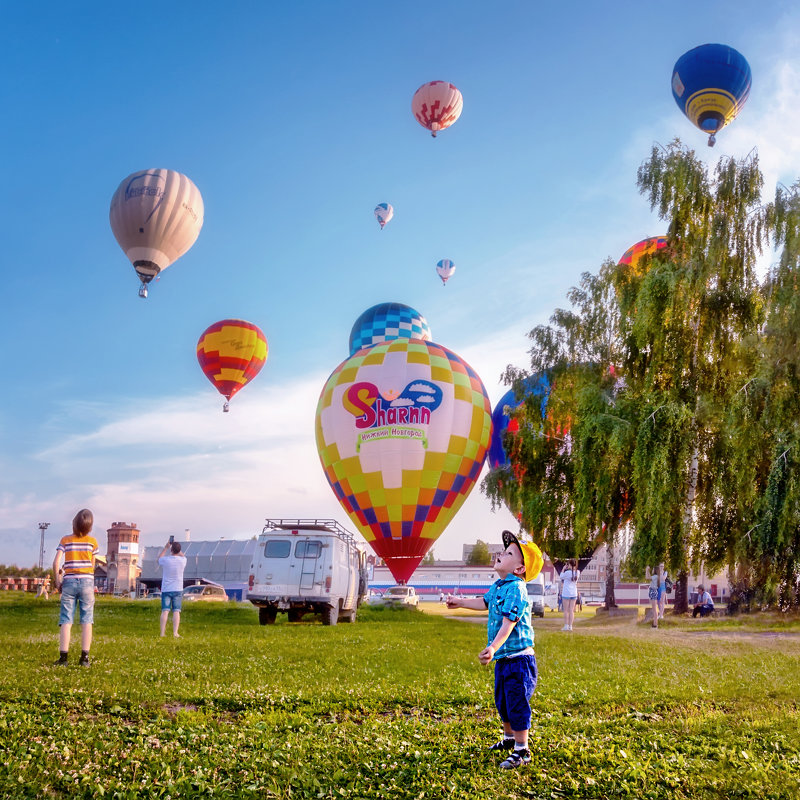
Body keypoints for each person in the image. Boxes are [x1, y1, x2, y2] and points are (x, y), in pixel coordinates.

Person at [447, 530, 543, 770]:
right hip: (504, 659)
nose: (502, 553)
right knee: (503, 701)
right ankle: (510, 740)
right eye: (504, 550)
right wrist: (460, 602)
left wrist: (492, 647)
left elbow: (509, 623)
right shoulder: (499, 586)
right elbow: (484, 602)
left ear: (520, 569)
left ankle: (523, 750)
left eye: (509, 553)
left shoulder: (516, 589)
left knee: (516, 703)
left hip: (519, 661)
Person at [52, 509, 99, 666]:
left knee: (66, 619)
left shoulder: (65, 540)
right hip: (87, 582)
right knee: (87, 620)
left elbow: (56, 562)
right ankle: (84, 658)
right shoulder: (93, 542)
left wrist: (58, 581)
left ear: (74, 523)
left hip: (69, 582)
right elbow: (92, 565)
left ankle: (63, 658)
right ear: (90, 527)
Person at [159, 539, 187, 637]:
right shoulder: (183, 561)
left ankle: (162, 633)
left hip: (166, 588)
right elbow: (183, 555)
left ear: (171, 550)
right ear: (179, 550)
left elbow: (159, 559)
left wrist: (166, 547)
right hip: (178, 588)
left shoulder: (166, 560)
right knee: (176, 611)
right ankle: (175, 633)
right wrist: (177, 549)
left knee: (165, 610)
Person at [560, 558, 579, 631]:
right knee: (571, 610)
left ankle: (566, 626)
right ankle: (570, 626)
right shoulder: (578, 572)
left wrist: (563, 568)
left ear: (570, 564)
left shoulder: (567, 573)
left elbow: (561, 576)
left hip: (566, 593)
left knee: (566, 610)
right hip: (574, 593)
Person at [648, 564, 663, 628]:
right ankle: (654, 623)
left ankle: (655, 624)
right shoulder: (656, 577)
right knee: (654, 609)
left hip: (653, 591)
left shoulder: (655, 576)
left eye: (653, 569)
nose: (652, 570)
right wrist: (647, 571)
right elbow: (648, 577)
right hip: (653, 591)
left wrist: (647, 570)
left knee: (654, 609)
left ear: (655, 570)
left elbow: (647, 577)